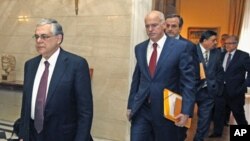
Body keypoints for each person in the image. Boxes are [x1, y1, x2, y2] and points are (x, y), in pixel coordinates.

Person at [18, 18, 93, 141]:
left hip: (63, 136)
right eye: (36, 36)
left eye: (44, 36)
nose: (39, 41)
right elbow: (26, 104)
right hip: (32, 135)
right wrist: (22, 134)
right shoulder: (30, 65)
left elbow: (85, 111)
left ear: (59, 39)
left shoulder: (76, 64)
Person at [127, 10, 196, 141]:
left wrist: (186, 111)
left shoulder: (181, 47)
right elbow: (137, 79)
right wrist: (131, 105)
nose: (150, 29)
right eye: (147, 26)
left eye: (154, 25)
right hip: (142, 109)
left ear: (164, 25)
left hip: (167, 111)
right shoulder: (140, 48)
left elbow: (188, 82)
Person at [193, 30, 224, 141]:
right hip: (191, 90)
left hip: (209, 91)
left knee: (205, 120)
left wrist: (217, 85)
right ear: (204, 40)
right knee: (186, 118)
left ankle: (198, 139)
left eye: (216, 40)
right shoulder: (191, 50)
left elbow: (220, 71)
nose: (216, 43)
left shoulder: (216, 53)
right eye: (213, 40)